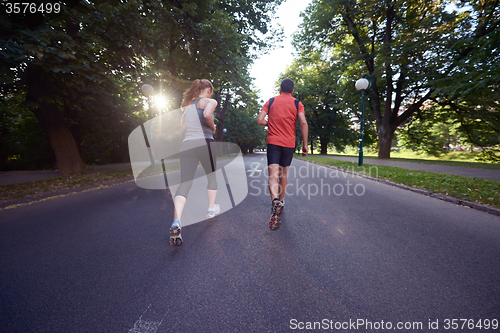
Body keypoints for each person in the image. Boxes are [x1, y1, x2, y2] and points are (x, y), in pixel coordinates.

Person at [170, 79, 221, 246]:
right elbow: (207, 114)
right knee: (211, 176)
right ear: (208, 90)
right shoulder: (210, 101)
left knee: (185, 183)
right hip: (205, 142)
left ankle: (176, 220)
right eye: (210, 92)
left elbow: (183, 127)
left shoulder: (188, 107)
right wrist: (212, 127)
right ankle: (211, 209)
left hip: (188, 144)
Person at [256, 78, 308, 231]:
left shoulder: (271, 101)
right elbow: (303, 123)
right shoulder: (297, 103)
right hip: (288, 144)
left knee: (272, 175)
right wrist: (305, 145)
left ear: (280, 89)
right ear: (292, 90)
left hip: (273, 142)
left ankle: (274, 202)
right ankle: (281, 202)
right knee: (283, 175)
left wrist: (270, 123)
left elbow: (260, 120)